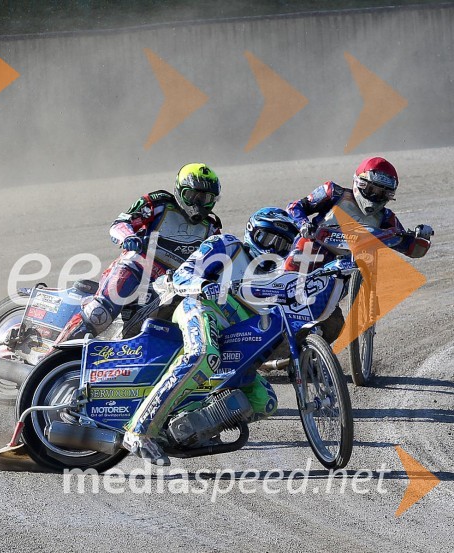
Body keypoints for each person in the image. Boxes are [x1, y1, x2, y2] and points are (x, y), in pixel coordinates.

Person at [122, 207, 299, 465]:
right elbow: (183, 274)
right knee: (204, 354)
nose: (272, 248)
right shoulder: (227, 245)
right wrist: (204, 285)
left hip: (234, 340)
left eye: (281, 244)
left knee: (265, 402)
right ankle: (139, 430)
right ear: (252, 232)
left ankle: (185, 428)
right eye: (268, 239)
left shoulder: (280, 277)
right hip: (200, 308)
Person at [56, 163, 223, 343]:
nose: (198, 204)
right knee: (99, 314)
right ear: (179, 191)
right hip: (135, 269)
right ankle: (51, 357)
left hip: (171, 286)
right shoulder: (158, 204)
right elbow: (120, 223)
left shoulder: (212, 228)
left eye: (206, 198)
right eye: (192, 196)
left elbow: (218, 261)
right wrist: (128, 237)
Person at [284, 156, 433, 342]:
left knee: (333, 327)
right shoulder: (333, 192)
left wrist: (423, 237)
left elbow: (411, 248)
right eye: (371, 190)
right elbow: (296, 206)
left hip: (344, 269)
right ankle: (275, 298)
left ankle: (306, 353)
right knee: (299, 259)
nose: (375, 197)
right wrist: (303, 224)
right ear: (359, 183)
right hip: (312, 251)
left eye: (382, 193)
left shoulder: (387, 218)